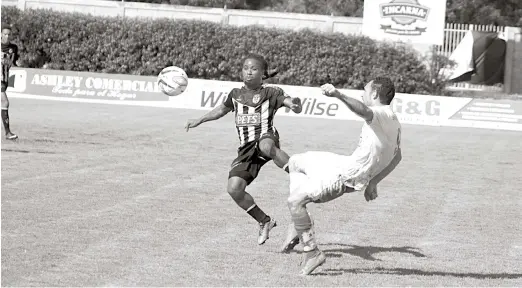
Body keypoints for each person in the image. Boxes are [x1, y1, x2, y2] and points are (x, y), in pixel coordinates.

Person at [281, 77, 403, 275]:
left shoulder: (379, 113)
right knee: (295, 162)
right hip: (344, 163)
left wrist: (337, 94)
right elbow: (397, 157)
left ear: (374, 94)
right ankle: (300, 223)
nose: (362, 94)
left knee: (295, 202)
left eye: (365, 90)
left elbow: (364, 111)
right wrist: (373, 182)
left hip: (345, 175)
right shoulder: (394, 121)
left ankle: (312, 252)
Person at [185, 53, 303, 245]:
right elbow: (221, 110)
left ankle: (298, 173)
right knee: (234, 188)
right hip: (246, 149)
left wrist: (295, 105)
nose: (249, 72)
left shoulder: (271, 92)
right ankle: (265, 221)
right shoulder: (235, 94)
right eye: (246, 68)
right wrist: (199, 119)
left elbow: (291, 104)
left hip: (266, 137)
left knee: (265, 146)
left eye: (254, 69)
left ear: (262, 73)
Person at [1, 25, 19, 140]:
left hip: (5, 79)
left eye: (9, 34)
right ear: (1, 34)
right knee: (5, 103)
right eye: (5, 34)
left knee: (3, 104)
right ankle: (7, 133)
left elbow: (14, 62)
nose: (7, 36)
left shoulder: (14, 48)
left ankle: (8, 133)